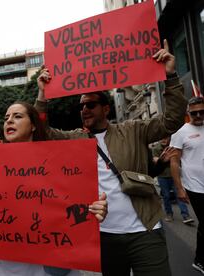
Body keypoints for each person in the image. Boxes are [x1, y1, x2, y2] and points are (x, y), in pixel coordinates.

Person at [34, 39, 187, 276]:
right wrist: (42, 95)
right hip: (104, 235)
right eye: (81, 106)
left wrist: (171, 76)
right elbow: (42, 134)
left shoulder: (134, 129)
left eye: (91, 104)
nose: (84, 109)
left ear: (106, 109)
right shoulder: (75, 139)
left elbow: (172, 121)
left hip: (145, 230)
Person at [0, 102, 108, 276]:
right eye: (6, 118)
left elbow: (77, 205)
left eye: (17, 116)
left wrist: (95, 210)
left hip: (56, 266)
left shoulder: (60, 160)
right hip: (10, 266)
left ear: (33, 125)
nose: (9, 121)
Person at [170, 96, 204, 274]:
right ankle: (200, 260)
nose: (198, 115)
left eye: (202, 112)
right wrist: (180, 188)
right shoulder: (181, 132)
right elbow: (174, 162)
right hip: (195, 186)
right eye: (194, 113)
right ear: (187, 113)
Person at [151, 138, 194, 224]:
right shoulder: (155, 148)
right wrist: (167, 160)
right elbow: (155, 161)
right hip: (162, 176)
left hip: (174, 176)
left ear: (169, 138)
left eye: (165, 138)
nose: (163, 140)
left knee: (180, 194)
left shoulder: (173, 147)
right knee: (166, 196)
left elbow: (178, 160)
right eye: (161, 138)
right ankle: (169, 214)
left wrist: (167, 161)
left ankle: (186, 215)